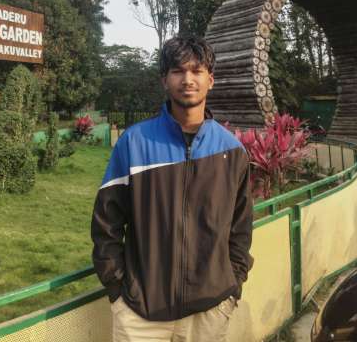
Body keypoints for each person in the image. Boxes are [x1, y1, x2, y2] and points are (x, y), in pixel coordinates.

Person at [91, 35, 253, 342]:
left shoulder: (232, 151)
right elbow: (106, 224)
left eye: (197, 71)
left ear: (210, 80)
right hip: (140, 314)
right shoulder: (134, 143)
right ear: (164, 80)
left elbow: (241, 227)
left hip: (210, 311)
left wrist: (232, 286)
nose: (187, 80)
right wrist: (117, 289)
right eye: (178, 71)